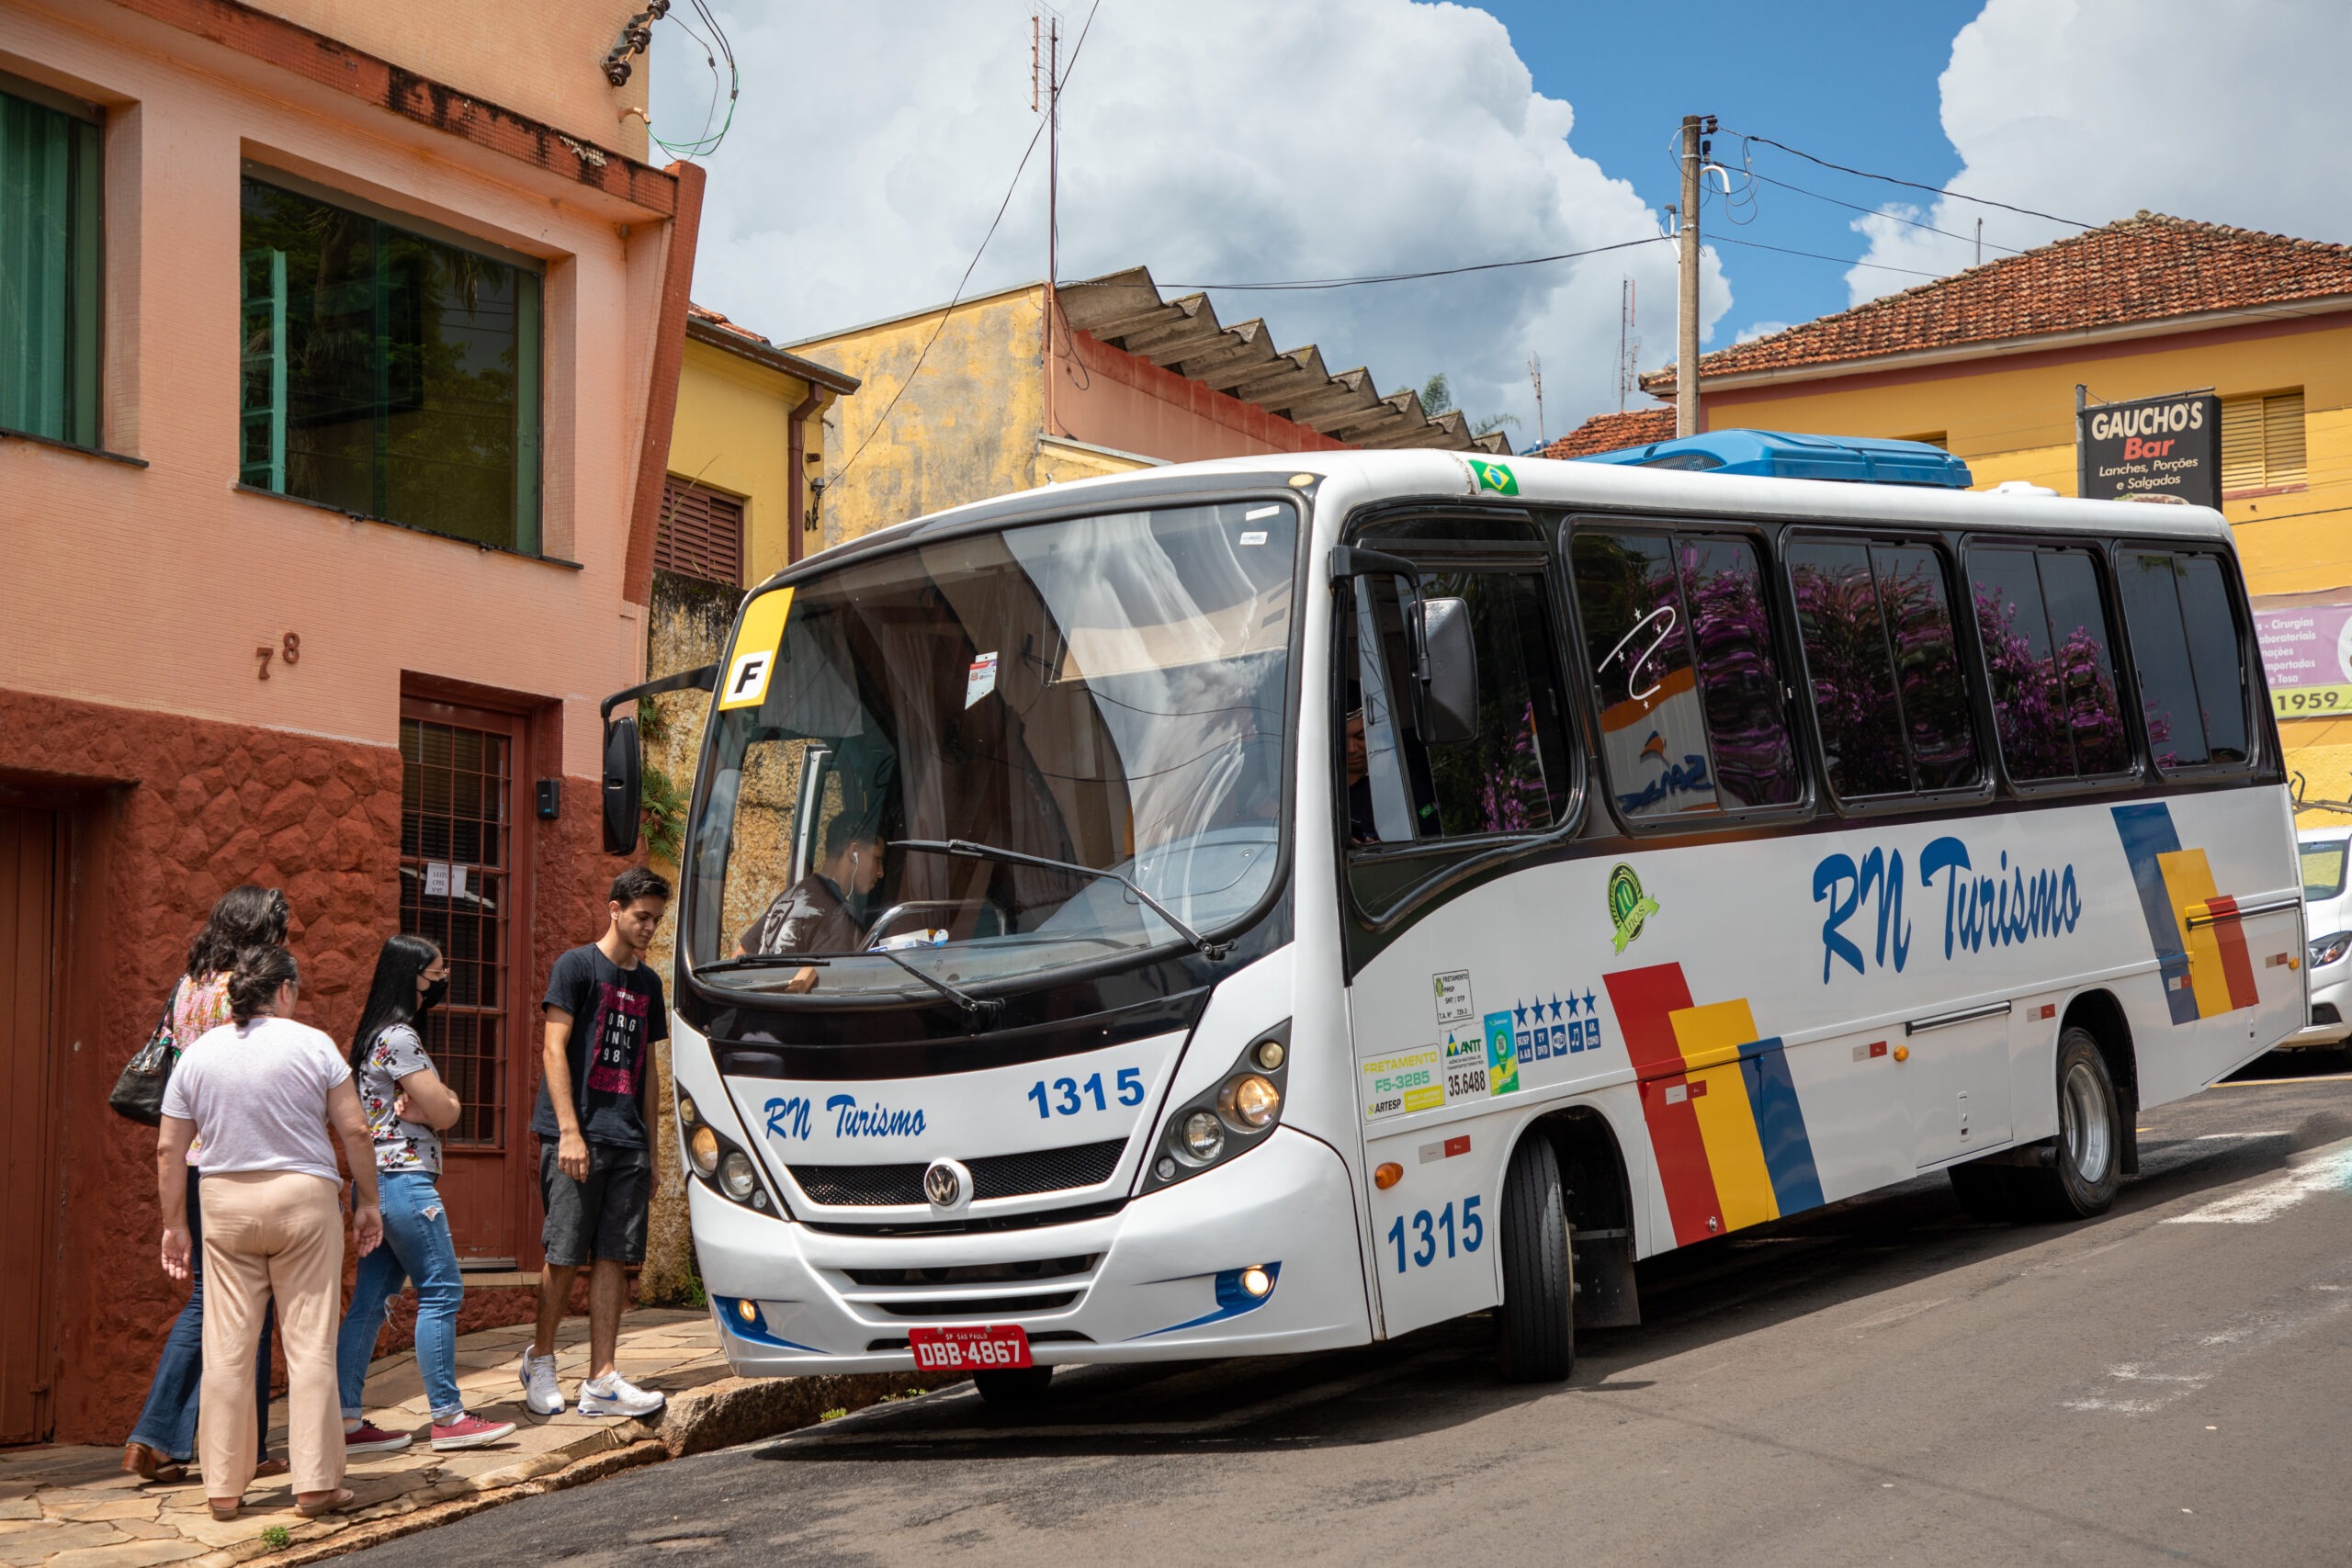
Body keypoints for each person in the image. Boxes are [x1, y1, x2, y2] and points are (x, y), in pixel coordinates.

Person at [156, 945, 382, 1521]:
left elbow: (168, 1148)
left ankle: (223, 1490)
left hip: (224, 1203)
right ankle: (316, 1485)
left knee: (227, 1348)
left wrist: (174, 1225)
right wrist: (369, 1202)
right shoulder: (313, 1044)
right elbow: (355, 1129)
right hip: (303, 1200)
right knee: (309, 1345)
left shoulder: (199, 1054)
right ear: (284, 990)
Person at [122, 886, 288, 1486]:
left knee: (234, 1299)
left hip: (195, 1159)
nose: (283, 941)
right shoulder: (246, 991)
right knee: (228, 1300)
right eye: (277, 930)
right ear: (256, 932)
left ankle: (236, 1443)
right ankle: (163, 1433)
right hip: (238, 1158)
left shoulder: (188, 986)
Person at [332, 936, 517, 1455]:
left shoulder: (374, 1036)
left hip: (377, 1183)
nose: (444, 980)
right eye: (436, 973)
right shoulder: (400, 1037)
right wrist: (445, 1105)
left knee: (370, 1301)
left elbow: (437, 1105)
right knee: (442, 1290)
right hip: (405, 1180)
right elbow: (445, 1111)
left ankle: (344, 1421)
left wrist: (440, 1104)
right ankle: (448, 1417)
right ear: (410, 976)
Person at [518, 867, 671, 1420]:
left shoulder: (649, 984)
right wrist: (569, 1131)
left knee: (614, 1258)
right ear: (614, 909)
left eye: (656, 919)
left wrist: (651, 1149)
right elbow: (553, 1049)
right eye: (642, 916)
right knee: (563, 1254)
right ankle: (540, 1359)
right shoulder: (576, 966)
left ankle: (601, 1378)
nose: (649, 927)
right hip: (577, 1135)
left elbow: (648, 1072)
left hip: (627, 1140)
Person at [734, 816, 885, 992]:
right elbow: (829, 994)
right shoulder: (838, 914)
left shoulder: (790, 896)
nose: (881, 872)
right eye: (877, 858)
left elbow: (738, 958)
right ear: (854, 852)